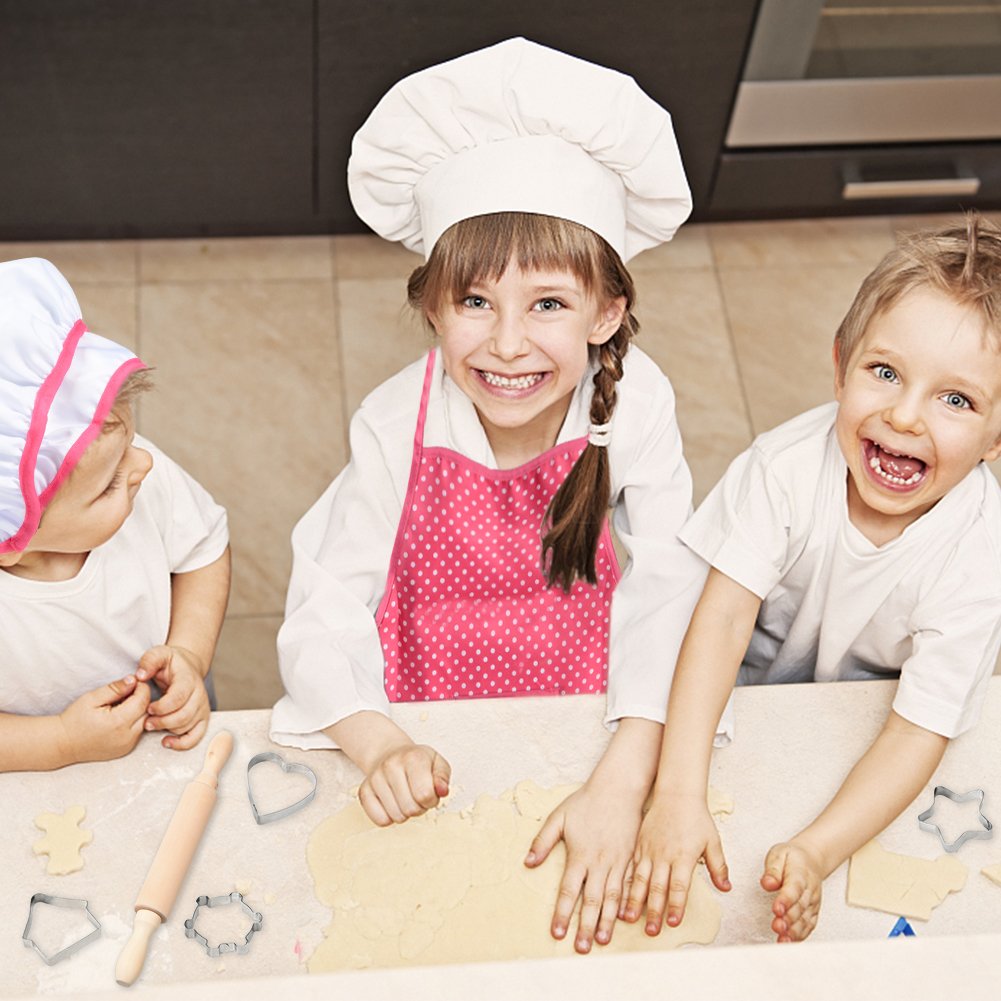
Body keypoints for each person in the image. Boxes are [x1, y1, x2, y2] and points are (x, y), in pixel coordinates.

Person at [271, 37, 706, 952]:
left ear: (606, 312)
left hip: (588, 713)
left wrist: (627, 769)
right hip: (429, 722)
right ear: (431, 307)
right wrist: (376, 742)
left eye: (548, 304)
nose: (507, 344)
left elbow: (675, 583)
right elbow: (322, 606)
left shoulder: (636, 404)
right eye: (475, 302)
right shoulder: (395, 423)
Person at [625, 214, 1001, 943]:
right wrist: (676, 791)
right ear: (838, 365)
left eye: (954, 399)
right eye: (883, 372)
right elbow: (720, 621)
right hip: (734, 697)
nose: (903, 414)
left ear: (998, 434)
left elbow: (916, 731)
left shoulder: (982, 557)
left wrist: (816, 849)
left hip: (852, 729)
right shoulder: (782, 468)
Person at [0, 257, 231, 771]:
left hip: (171, 712)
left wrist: (189, 654)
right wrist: (60, 742)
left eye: (131, 441)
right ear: (14, 541)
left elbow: (204, 550)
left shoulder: (128, 471)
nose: (144, 464)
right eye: (107, 486)